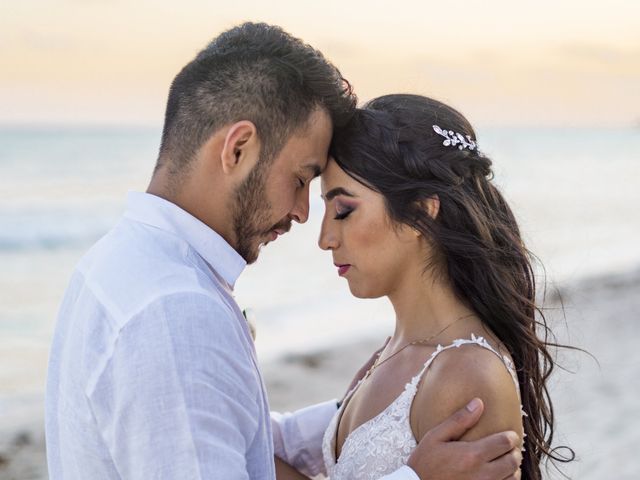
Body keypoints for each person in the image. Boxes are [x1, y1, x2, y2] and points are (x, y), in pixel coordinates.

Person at [45, 23, 522, 479]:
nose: (301, 217)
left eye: (338, 206)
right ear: (238, 149)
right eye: (300, 180)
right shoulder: (175, 313)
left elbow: (244, 439)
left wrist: (387, 405)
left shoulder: (118, 264)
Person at [285, 94, 569, 480]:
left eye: (343, 211)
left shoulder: (467, 374)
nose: (325, 238)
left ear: (420, 213)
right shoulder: (389, 354)